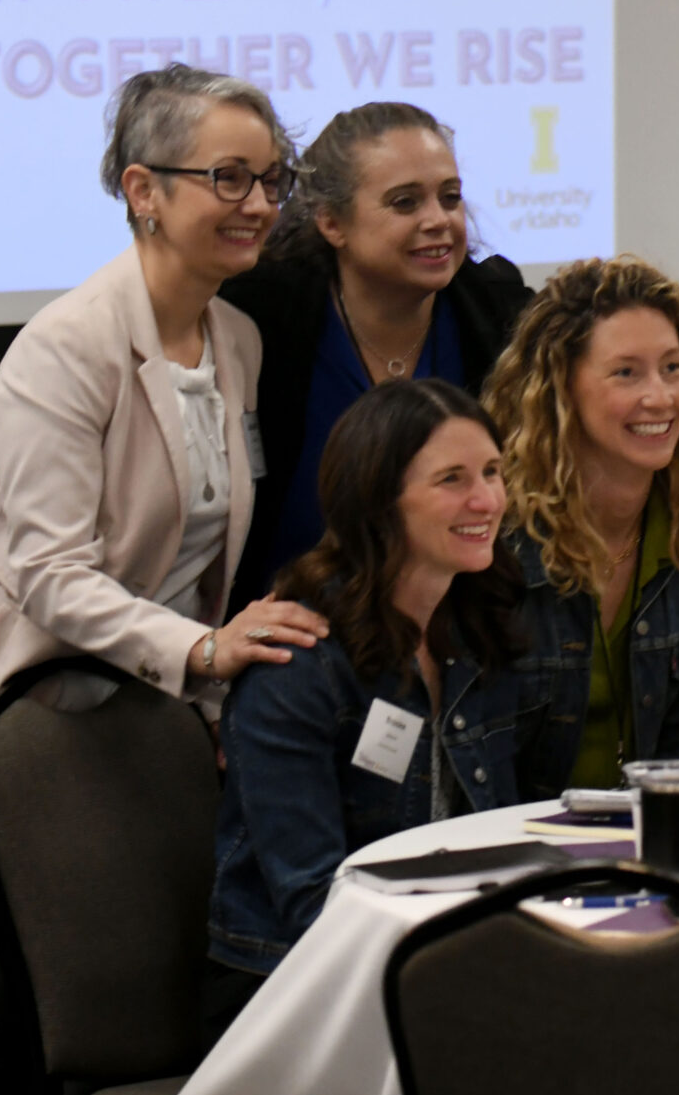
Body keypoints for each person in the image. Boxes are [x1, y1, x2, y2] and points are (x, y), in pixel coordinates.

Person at [0, 65, 326, 1095]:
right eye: (225, 176)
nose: (255, 201)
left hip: (118, 704)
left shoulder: (235, 340)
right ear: (142, 187)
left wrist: (206, 670)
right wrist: (199, 652)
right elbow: (47, 572)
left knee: (54, 979)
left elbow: (192, 551)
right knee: (58, 972)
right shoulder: (68, 344)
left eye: (269, 178)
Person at [207, 379, 526, 1024]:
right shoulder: (297, 665)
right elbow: (314, 904)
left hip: (432, 961)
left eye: (493, 471)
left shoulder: (472, 630)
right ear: (380, 501)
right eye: (452, 479)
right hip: (294, 989)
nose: (486, 498)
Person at [220, 101, 532, 603]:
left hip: (460, 634)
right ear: (331, 223)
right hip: (288, 638)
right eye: (405, 203)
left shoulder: (498, 314)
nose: (438, 220)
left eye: (449, 198)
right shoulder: (261, 317)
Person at [486, 257, 679, 793]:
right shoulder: (500, 530)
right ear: (562, 386)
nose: (661, 396)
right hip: (518, 844)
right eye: (626, 372)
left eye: (673, 367)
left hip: (650, 837)